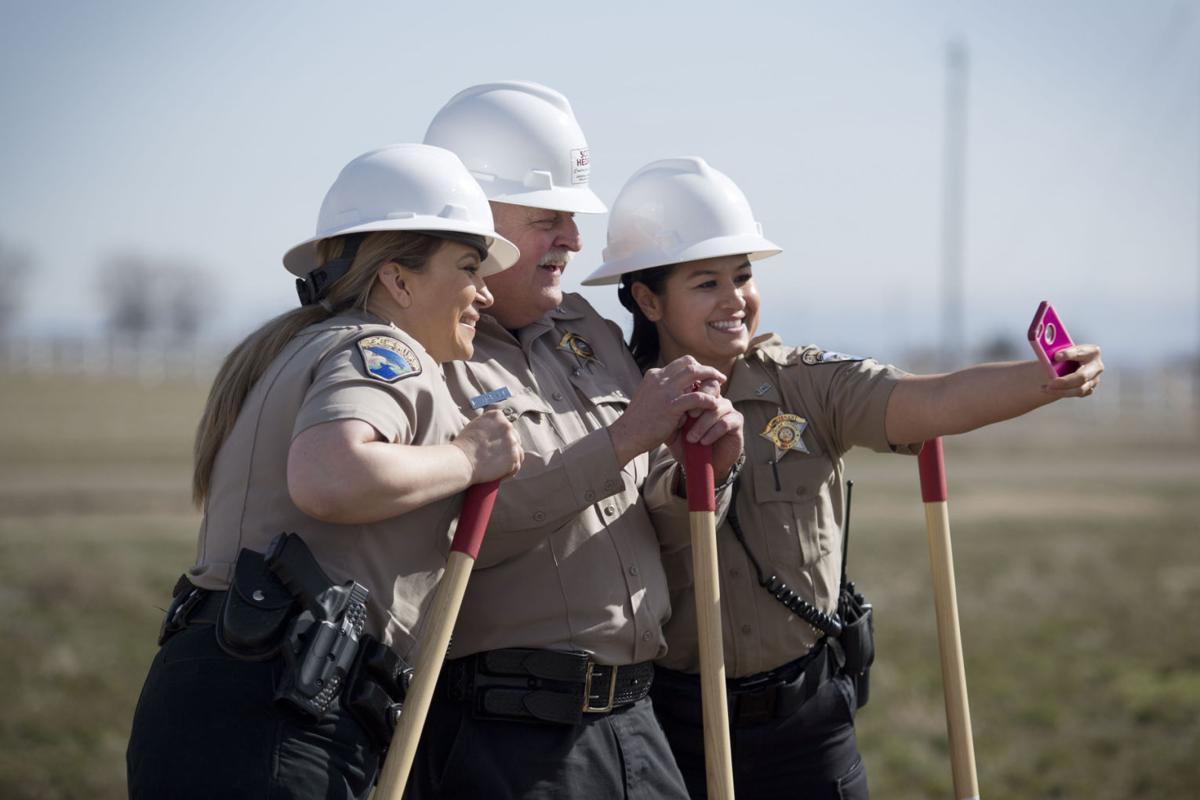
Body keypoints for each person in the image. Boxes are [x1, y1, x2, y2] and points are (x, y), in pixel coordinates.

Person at [582, 156, 1105, 799]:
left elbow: (927, 400)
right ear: (647, 297)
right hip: (672, 728)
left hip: (808, 722)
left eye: (742, 276)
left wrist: (1044, 381)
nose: (734, 299)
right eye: (706, 282)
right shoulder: (613, 410)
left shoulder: (804, 382)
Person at [126, 143, 525, 800]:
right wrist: (467, 457)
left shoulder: (297, 345)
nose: (485, 292)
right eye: (469, 267)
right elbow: (330, 478)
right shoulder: (381, 348)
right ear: (398, 280)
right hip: (280, 711)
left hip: (217, 693)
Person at [405, 82, 744, 800]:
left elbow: (646, 505)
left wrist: (694, 475)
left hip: (635, 720)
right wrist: (624, 435)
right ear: (476, 219)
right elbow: (464, 534)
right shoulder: (422, 348)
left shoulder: (586, 329)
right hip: (511, 736)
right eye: (547, 218)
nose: (574, 240)